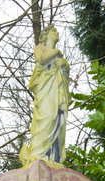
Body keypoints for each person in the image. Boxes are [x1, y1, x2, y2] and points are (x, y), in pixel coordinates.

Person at [20, 25, 70, 166]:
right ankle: (37, 155)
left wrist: (65, 64)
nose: (57, 32)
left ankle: (53, 158)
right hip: (45, 93)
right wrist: (57, 51)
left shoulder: (58, 56)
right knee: (46, 119)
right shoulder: (40, 48)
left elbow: (64, 77)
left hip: (57, 93)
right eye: (54, 31)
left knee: (58, 122)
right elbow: (41, 59)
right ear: (46, 34)